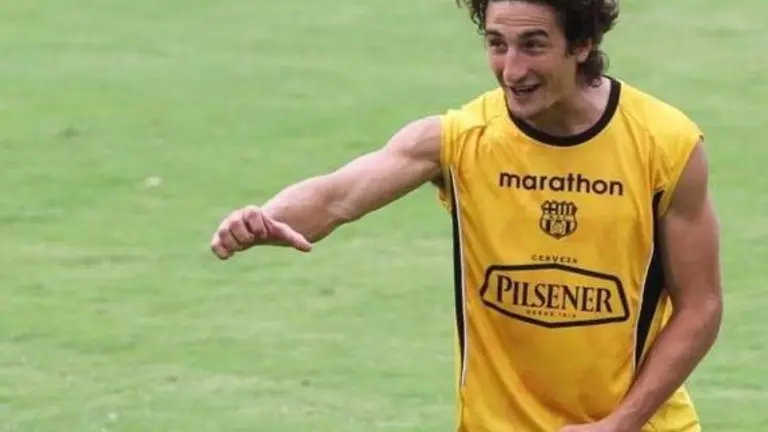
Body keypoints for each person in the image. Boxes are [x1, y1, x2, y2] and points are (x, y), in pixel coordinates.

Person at [209, 0, 723, 430]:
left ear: (582, 44)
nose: (512, 70)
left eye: (533, 45)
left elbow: (700, 306)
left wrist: (620, 423)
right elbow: (335, 197)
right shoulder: (461, 139)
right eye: (497, 44)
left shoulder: (664, 145)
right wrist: (265, 218)